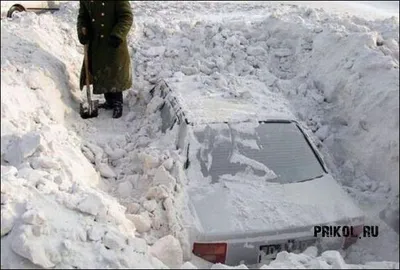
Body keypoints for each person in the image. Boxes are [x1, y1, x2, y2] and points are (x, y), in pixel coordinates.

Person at [77, 1, 134, 119]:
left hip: (113, 41)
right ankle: (109, 101)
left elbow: (126, 16)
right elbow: (83, 16)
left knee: (115, 72)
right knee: (101, 70)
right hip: (96, 42)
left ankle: (118, 102)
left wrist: (118, 34)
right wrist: (82, 30)